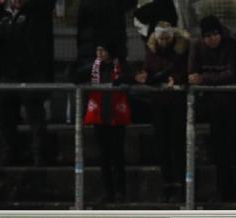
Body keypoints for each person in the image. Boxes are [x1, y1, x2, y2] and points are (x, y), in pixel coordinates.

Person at [189, 15, 236, 203]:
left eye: (215, 34)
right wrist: (203, 79)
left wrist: (206, 79)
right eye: (208, 36)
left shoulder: (231, 46)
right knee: (220, 152)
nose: (212, 39)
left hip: (235, 107)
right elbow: (193, 74)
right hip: (214, 108)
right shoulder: (198, 48)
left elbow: (233, 74)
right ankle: (224, 191)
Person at [0, 0, 55, 166]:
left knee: (34, 115)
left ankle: (39, 155)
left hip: (30, 72)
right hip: (9, 73)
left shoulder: (36, 12)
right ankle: (9, 152)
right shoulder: (5, 16)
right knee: (6, 115)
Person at [136, 21, 190, 202]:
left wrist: (177, 79)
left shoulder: (182, 50)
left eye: (167, 38)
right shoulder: (151, 51)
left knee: (178, 145)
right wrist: (144, 76)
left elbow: (185, 70)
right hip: (159, 103)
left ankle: (180, 184)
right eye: (161, 38)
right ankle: (167, 184)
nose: (164, 41)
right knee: (163, 145)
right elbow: (148, 70)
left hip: (176, 103)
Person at [78, 43, 135, 204]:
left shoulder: (121, 65)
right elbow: (74, 76)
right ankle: (107, 191)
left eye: (102, 49)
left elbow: (132, 78)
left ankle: (120, 192)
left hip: (117, 117)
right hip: (100, 117)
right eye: (97, 50)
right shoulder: (93, 67)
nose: (99, 53)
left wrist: (122, 79)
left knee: (118, 156)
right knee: (103, 157)